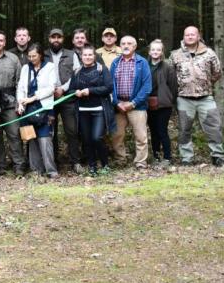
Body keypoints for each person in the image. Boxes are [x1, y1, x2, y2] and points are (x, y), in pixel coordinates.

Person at [169, 26, 224, 166]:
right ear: (183, 36)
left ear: (198, 36)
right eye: (187, 34)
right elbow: (170, 76)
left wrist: (204, 85)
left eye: (192, 34)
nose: (189, 36)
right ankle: (186, 158)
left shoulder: (209, 53)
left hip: (205, 98)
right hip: (184, 98)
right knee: (184, 129)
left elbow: (217, 72)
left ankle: (218, 156)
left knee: (214, 127)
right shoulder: (175, 55)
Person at [69, 45, 115, 175]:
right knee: (87, 140)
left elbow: (108, 87)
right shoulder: (77, 71)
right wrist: (75, 92)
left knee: (97, 138)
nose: (87, 57)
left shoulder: (102, 69)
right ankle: (92, 166)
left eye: (90, 55)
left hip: (99, 109)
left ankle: (105, 164)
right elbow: (71, 90)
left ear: (94, 56)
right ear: (81, 57)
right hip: (82, 111)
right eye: (85, 55)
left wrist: (90, 91)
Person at [110, 35, 152, 169]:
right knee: (117, 135)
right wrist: (117, 103)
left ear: (135, 46)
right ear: (120, 46)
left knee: (140, 136)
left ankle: (140, 162)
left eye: (129, 43)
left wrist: (133, 103)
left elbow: (147, 87)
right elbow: (110, 85)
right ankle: (120, 159)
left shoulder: (142, 62)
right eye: (123, 43)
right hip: (119, 106)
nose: (126, 46)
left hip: (137, 105)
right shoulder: (115, 63)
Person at [0, 30, 24, 176]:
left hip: (10, 102)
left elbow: (20, 81)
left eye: (1, 40)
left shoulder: (13, 59)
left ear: (5, 42)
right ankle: (0, 164)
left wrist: (20, 101)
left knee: (14, 134)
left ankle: (19, 164)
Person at [17, 43, 59, 178]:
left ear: (40, 55)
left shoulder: (50, 67)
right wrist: (20, 103)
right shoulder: (25, 68)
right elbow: (21, 88)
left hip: (44, 107)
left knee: (45, 140)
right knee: (31, 138)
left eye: (34, 56)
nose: (31, 58)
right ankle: (36, 170)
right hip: (27, 109)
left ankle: (51, 171)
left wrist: (33, 98)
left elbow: (51, 88)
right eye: (29, 56)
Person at [44, 28, 83, 173]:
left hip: (67, 98)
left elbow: (76, 74)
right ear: (49, 39)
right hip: (48, 98)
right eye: (53, 37)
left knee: (72, 131)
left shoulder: (71, 54)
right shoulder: (44, 54)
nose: (56, 40)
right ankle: (53, 162)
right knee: (50, 131)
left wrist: (63, 89)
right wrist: (50, 90)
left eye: (58, 37)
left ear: (63, 39)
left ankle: (75, 162)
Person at [147, 39, 177, 167]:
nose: (155, 52)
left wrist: (169, 100)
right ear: (149, 51)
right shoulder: (144, 65)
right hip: (148, 103)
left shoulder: (167, 67)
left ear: (162, 52)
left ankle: (167, 157)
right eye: (153, 49)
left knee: (162, 130)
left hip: (163, 104)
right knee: (153, 131)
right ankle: (156, 156)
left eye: (158, 50)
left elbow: (173, 87)